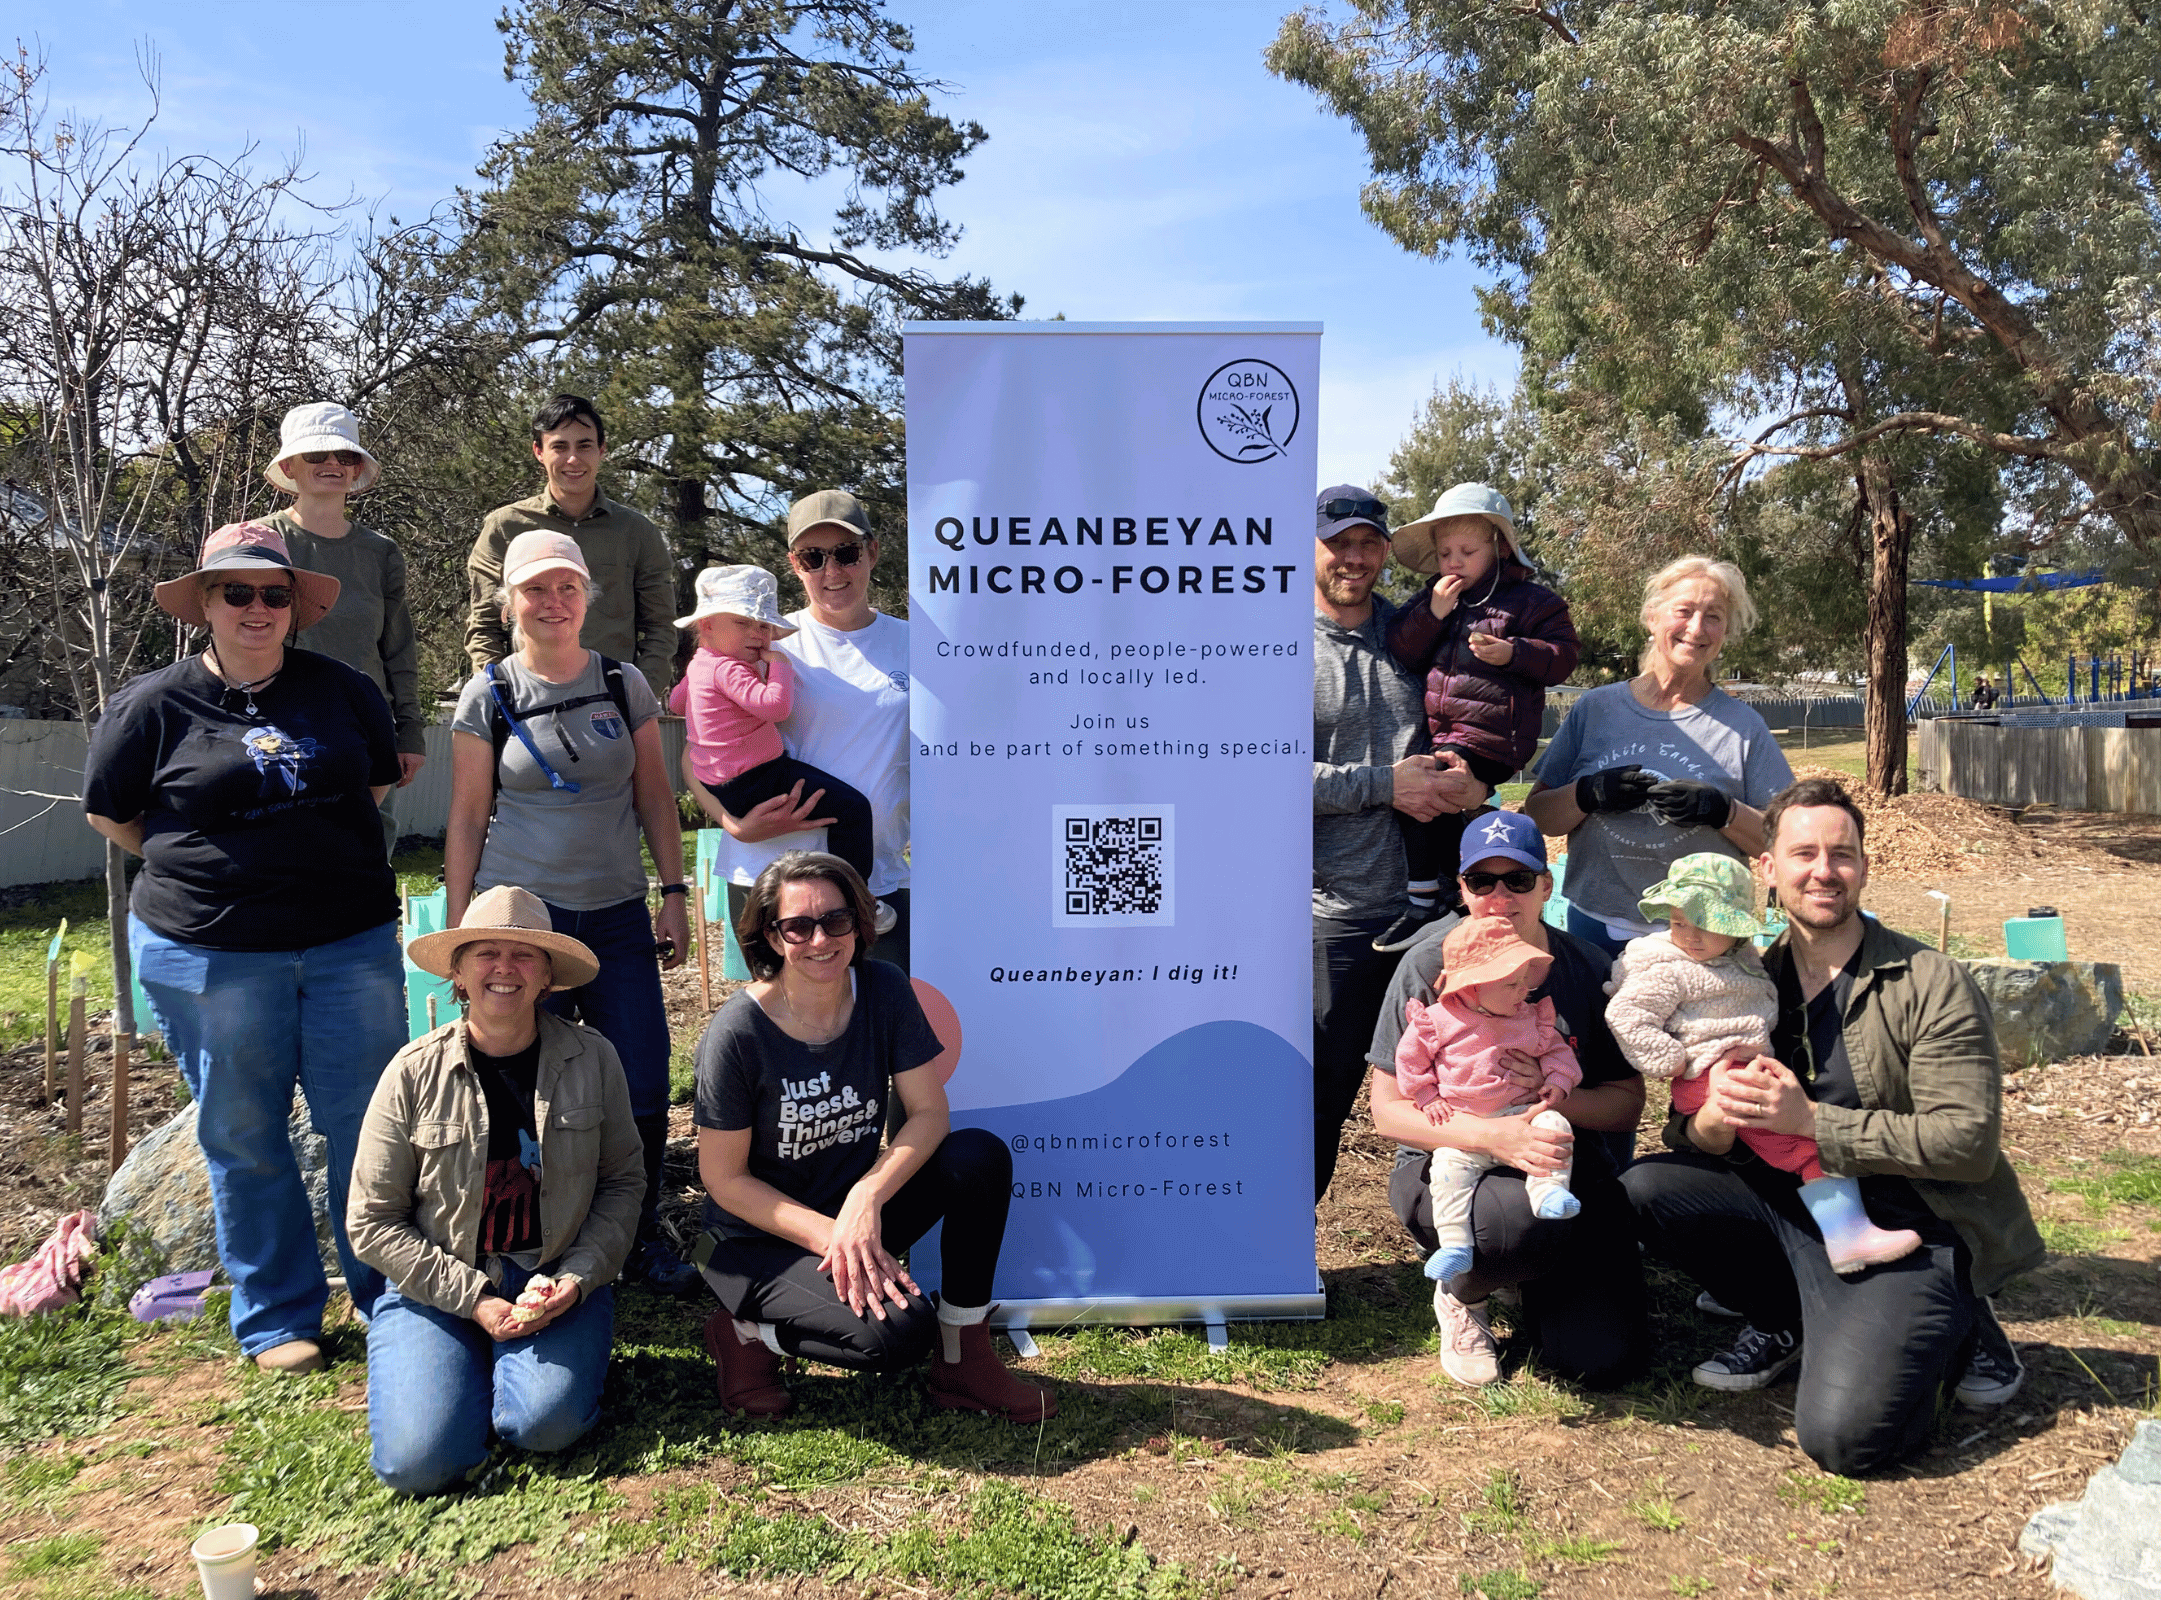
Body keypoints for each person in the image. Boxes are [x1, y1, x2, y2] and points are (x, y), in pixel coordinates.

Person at [1623, 777, 2045, 1475]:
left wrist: (1811, 1121)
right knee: (1647, 1187)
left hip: (1911, 1220)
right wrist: (1713, 1125)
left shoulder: (1927, 980)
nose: (1823, 871)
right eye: (1803, 853)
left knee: (1843, 1439)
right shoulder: (1746, 981)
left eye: (1841, 854)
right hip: (1795, 1205)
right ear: (1766, 870)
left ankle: (1961, 1319)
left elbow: (1965, 1146)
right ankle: (1782, 1314)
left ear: (1863, 866)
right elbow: (1681, 1130)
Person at [83, 522, 406, 1373]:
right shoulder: (153, 705)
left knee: (367, 1125)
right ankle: (276, 1317)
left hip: (348, 947)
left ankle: (389, 1298)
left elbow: (372, 781)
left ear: (296, 606)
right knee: (243, 1131)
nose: (256, 608)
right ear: (205, 604)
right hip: (212, 955)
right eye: (237, 592)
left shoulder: (343, 691)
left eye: (273, 593)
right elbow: (113, 814)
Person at [692, 851, 1055, 1422]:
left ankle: (963, 1360)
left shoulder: (882, 989)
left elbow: (930, 1113)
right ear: (770, 933)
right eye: (798, 926)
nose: (820, 940)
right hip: (754, 1240)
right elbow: (723, 1179)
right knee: (900, 1337)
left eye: (836, 920)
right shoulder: (736, 1033)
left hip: (851, 1215)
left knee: (976, 1157)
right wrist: (834, 1235)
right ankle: (743, 1333)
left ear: (859, 923)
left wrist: (867, 1196)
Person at [445, 529, 697, 1292]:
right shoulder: (487, 693)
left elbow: (655, 795)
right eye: (534, 589)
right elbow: (464, 816)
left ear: (588, 596)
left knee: (642, 1079)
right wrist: (462, 934)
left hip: (618, 913)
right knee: (522, 1078)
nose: (552, 602)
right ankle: (523, 1233)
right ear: (509, 601)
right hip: (525, 924)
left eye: (566, 587)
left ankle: (638, 1232)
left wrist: (675, 893)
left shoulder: (624, 684)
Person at [349, 886, 643, 1494]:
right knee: (420, 1462)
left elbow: (623, 1182)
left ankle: (523, 1363)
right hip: (439, 1285)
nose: (504, 969)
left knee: (544, 1424)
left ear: (548, 979)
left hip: (551, 1278)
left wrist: (578, 1278)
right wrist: (476, 1301)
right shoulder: (409, 1071)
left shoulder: (595, 1059)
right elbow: (371, 1220)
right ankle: (452, 1356)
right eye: (485, 953)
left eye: (524, 956)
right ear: (457, 972)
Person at [1369, 811, 1649, 1388]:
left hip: (1564, 1163)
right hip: (1452, 1161)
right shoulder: (1429, 965)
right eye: (1482, 881)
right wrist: (1490, 1133)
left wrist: (1548, 1102)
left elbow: (1626, 1103)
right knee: (1511, 1229)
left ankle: (1538, 1276)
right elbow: (1388, 1111)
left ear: (1547, 886)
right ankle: (1463, 1291)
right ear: (1462, 889)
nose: (1500, 895)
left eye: (1518, 880)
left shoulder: (1586, 969)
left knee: (1601, 1362)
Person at [1607, 853, 1922, 1275]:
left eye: (1707, 923)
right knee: (1807, 1147)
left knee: (1774, 1156)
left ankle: (1758, 1271)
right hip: (1715, 1076)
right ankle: (1848, 1237)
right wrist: (1673, 1059)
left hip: (1741, 1066)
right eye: (1680, 923)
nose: (1691, 936)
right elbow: (1626, 1016)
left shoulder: (1739, 957)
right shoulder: (1670, 968)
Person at [1312, 484, 1491, 1203]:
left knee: (1463, 1085)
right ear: (1311, 549)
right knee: (1319, 1097)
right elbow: (1252, 774)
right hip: (1333, 913)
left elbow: (1479, 720)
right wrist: (1383, 784)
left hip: (1440, 916)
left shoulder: (1420, 632)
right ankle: (1285, 1250)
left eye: (1367, 542)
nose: (1353, 557)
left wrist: (1478, 783)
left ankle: (1470, 1247)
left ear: (1386, 550)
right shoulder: (1272, 644)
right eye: (1337, 542)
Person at [1524, 555, 1793, 961]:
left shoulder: (1743, 727)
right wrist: (1588, 794)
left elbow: (1781, 843)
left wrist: (1723, 811)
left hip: (1701, 940)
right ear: (1652, 618)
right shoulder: (1596, 709)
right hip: (1594, 929)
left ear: (1726, 631)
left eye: (1714, 616)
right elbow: (1541, 814)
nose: (1697, 629)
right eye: (1683, 611)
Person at [705, 491, 914, 970]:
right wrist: (731, 823)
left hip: (874, 884)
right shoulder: (762, 641)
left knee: (882, 1032)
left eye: (846, 554)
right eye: (813, 558)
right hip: (772, 878)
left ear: (873, 552)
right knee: (784, 1034)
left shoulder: (916, 642)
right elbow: (696, 751)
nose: (831, 572)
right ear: (793, 565)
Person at [1375, 484, 1579, 952]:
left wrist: (1514, 653)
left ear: (1499, 547)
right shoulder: (1435, 598)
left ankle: (1425, 899)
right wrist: (1432, 613)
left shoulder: (1530, 602)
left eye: (1467, 550)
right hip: (1444, 734)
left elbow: (1563, 656)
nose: (1454, 562)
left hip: (1493, 738)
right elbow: (1401, 648)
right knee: (1424, 798)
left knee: (1430, 790)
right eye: (1445, 552)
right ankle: (1460, 888)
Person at [669, 563, 890, 929]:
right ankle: (859, 898)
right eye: (743, 623)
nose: (757, 634)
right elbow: (775, 706)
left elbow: (678, 704)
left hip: (724, 785)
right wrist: (780, 665)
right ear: (707, 625)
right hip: (760, 778)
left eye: (763, 625)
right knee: (852, 810)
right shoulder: (729, 668)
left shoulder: (699, 665)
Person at [260, 402, 427, 851]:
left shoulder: (381, 553)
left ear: (357, 469)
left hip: (364, 734)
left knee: (363, 864)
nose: (332, 464)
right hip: (274, 734)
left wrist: (407, 732)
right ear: (289, 466)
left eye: (345, 456)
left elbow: (398, 649)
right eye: (317, 455)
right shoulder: (258, 542)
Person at [1394, 915, 1583, 1284]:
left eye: (1524, 982)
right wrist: (1427, 1094)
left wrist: (1557, 1081)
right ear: (1471, 987)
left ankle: (1549, 1193)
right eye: (1511, 984)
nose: (1522, 992)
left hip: (1522, 1117)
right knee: (1447, 1172)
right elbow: (1410, 1060)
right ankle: (1454, 1245)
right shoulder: (1438, 1020)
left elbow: (1558, 1052)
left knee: (1555, 1126)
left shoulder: (1530, 1018)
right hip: (1465, 1127)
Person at [465, 394, 677, 694]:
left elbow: (661, 629)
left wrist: (638, 697)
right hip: (527, 706)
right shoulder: (504, 527)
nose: (573, 459)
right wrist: (501, 698)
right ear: (539, 451)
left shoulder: (638, 532)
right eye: (559, 447)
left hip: (613, 707)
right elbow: (484, 626)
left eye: (585, 445)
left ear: (602, 450)